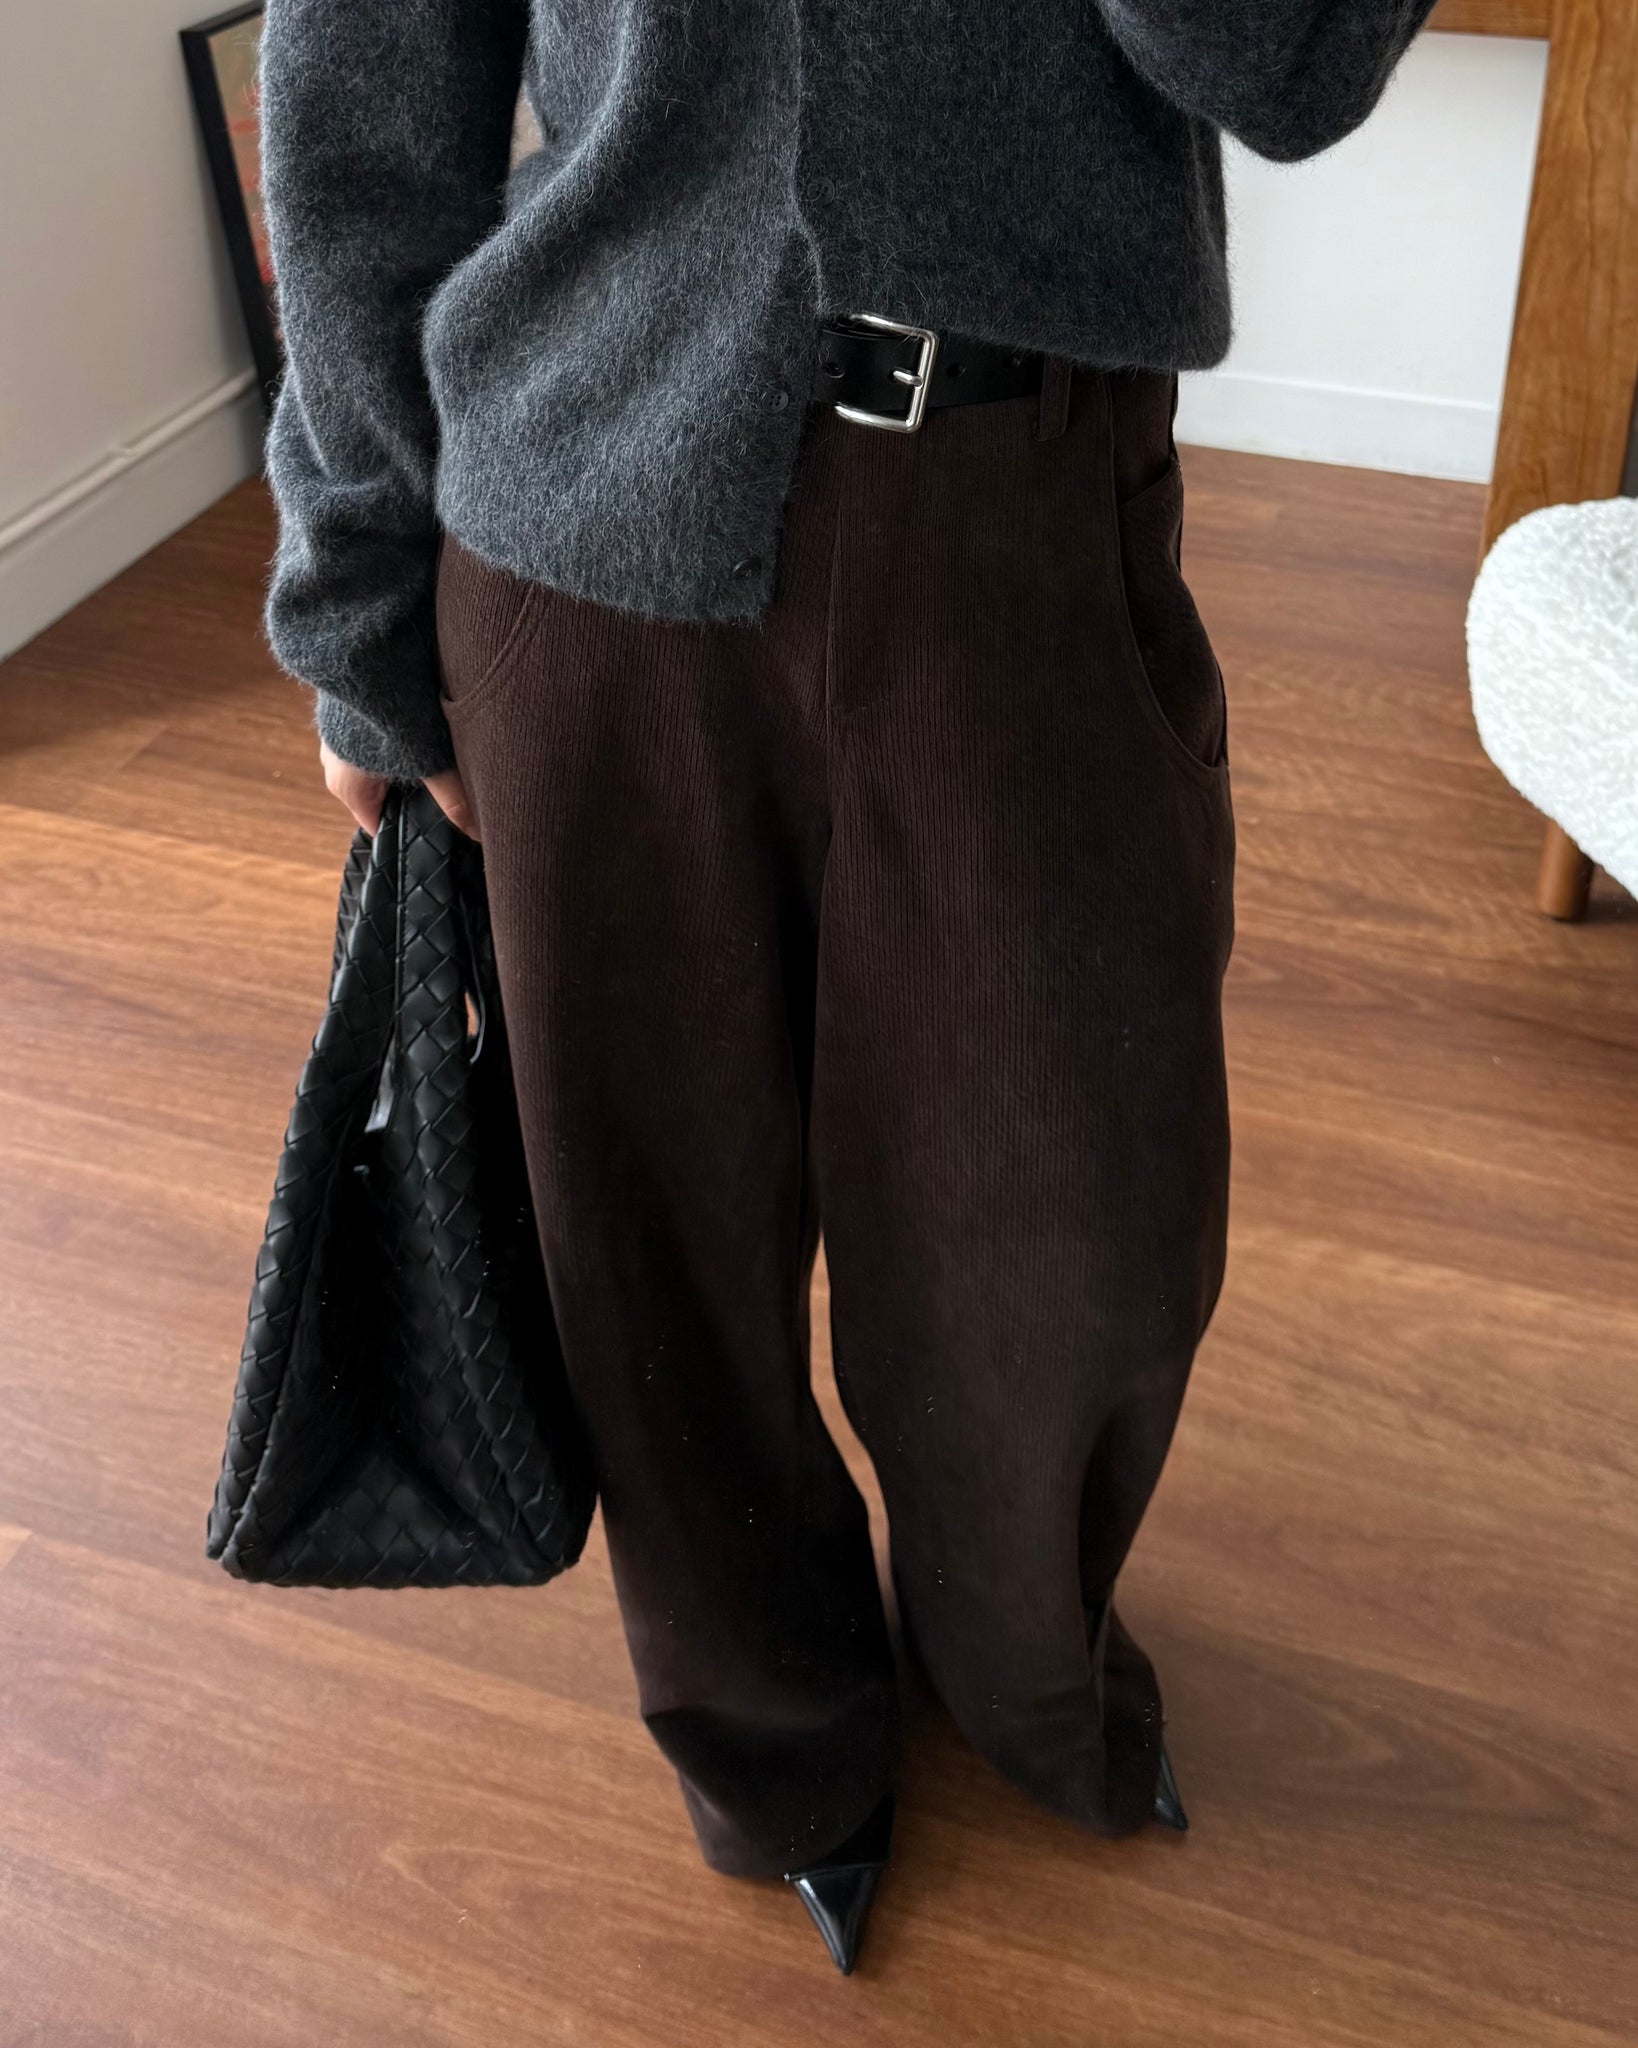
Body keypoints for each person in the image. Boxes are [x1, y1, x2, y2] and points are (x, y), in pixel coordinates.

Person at [257, 0, 1436, 1974]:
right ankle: (774, 1745)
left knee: (1075, 1228)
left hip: (1032, 518)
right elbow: (365, 108)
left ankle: (1022, 1675)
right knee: (654, 1255)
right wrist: (355, 594)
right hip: (583, 531)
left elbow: (1288, 72)